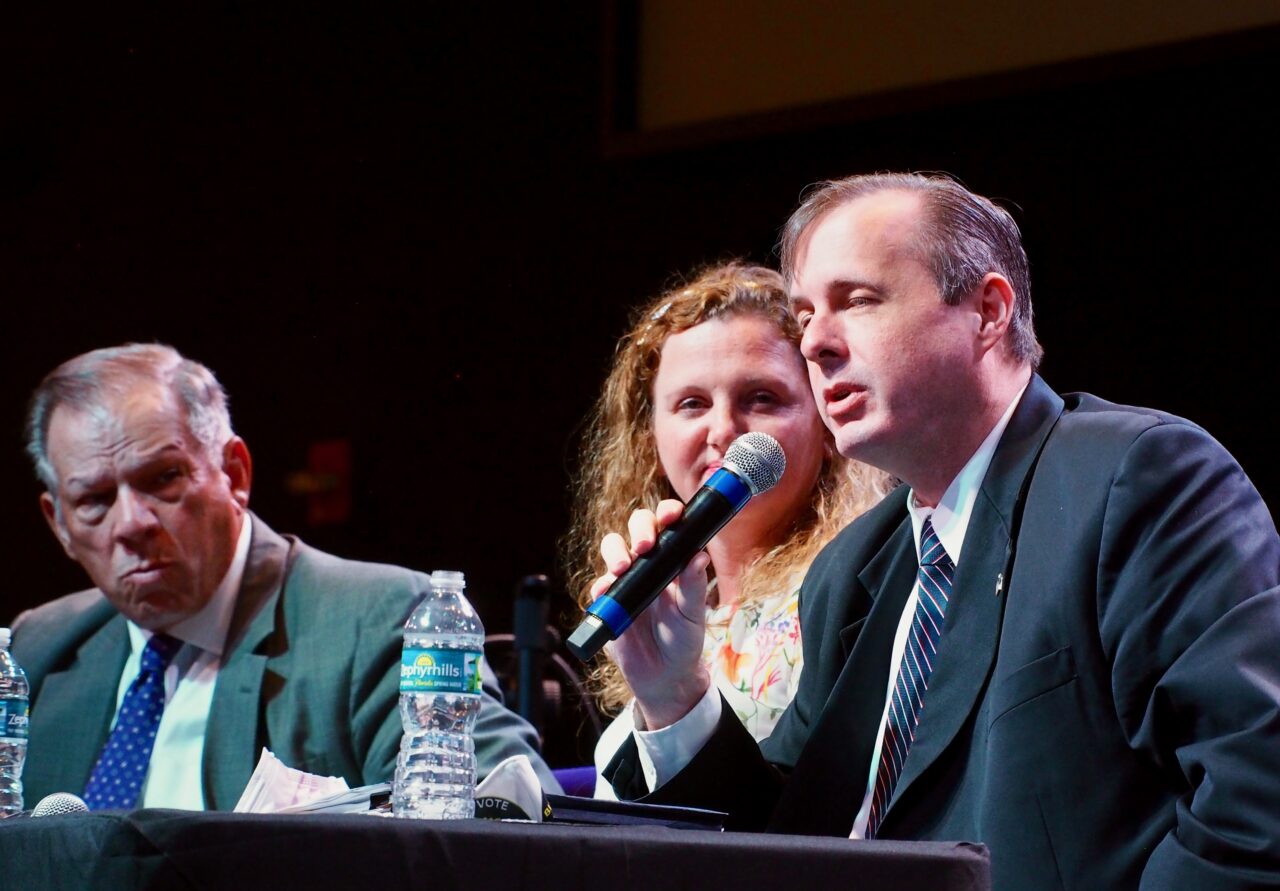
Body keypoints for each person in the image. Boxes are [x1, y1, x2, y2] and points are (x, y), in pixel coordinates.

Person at [596, 174, 1280, 889]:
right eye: (804, 317)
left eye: (856, 301)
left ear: (987, 310)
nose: (818, 343)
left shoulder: (1129, 480)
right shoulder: (854, 570)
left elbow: (1254, 795)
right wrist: (677, 693)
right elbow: (786, 844)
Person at [11, 343, 558, 811]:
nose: (131, 523)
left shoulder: (383, 621)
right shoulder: (40, 649)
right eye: (94, 500)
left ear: (234, 473)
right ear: (58, 523)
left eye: (163, 478)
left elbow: (510, 814)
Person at [563, 263, 890, 797]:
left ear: (825, 420)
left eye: (761, 398)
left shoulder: (855, 595)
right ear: (650, 437)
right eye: (692, 404)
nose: (723, 431)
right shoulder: (672, 608)